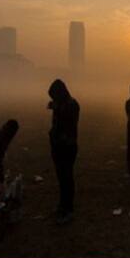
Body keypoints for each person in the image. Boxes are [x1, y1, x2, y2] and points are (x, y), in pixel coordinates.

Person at [47, 79, 80, 225]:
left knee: (67, 178)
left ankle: (69, 210)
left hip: (67, 147)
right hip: (58, 146)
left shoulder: (72, 105)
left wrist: (57, 108)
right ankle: (62, 206)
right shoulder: (60, 105)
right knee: (61, 179)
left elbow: (69, 121)